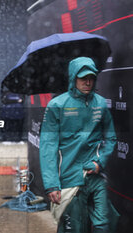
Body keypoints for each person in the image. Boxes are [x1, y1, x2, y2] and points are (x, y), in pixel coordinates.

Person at [39, 57, 118, 233]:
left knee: (105, 225)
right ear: (74, 78)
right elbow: (48, 146)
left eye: (91, 77)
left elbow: (111, 138)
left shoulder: (100, 103)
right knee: (74, 229)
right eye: (83, 78)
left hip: (95, 176)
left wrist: (100, 162)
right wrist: (52, 184)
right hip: (69, 178)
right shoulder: (56, 105)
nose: (88, 82)